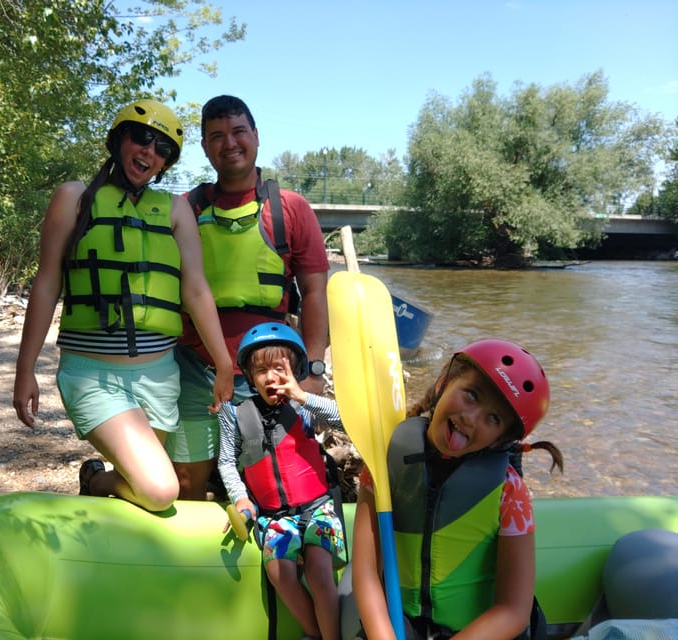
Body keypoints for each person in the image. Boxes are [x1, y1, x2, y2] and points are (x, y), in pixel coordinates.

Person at [12, 99, 233, 512]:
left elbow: (196, 290)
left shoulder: (174, 209)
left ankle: (106, 524)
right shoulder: (73, 198)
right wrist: (25, 370)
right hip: (93, 377)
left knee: (142, 486)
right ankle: (96, 480)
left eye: (163, 148)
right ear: (119, 140)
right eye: (143, 137)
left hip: (159, 377)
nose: (150, 151)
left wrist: (223, 363)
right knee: (159, 489)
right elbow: (46, 284)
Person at [167, 95, 331, 499]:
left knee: (268, 485)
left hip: (269, 374)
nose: (230, 143)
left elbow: (314, 293)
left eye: (239, 132)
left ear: (256, 137)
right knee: (187, 486)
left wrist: (311, 370)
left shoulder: (291, 208)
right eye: (216, 136)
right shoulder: (187, 208)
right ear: (205, 147)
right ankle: (100, 480)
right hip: (195, 367)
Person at [350, 339, 564, 640]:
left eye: (493, 418)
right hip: (400, 624)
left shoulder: (508, 492)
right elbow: (366, 571)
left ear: (500, 439)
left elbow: (513, 610)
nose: (471, 418)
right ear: (443, 383)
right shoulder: (384, 462)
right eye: (472, 395)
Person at [218, 323, 346, 640]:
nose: (271, 377)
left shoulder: (303, 407)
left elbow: (347, 419)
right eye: (261, 370)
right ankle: (315, 633)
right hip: (274, 515)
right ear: (249, 377)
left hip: (319, 509)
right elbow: (226, 461)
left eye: (280, 368)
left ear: (296, 370)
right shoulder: (234, 414)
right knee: (278, 572)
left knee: (318, 570)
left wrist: (304, 396)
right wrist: (240, 498)